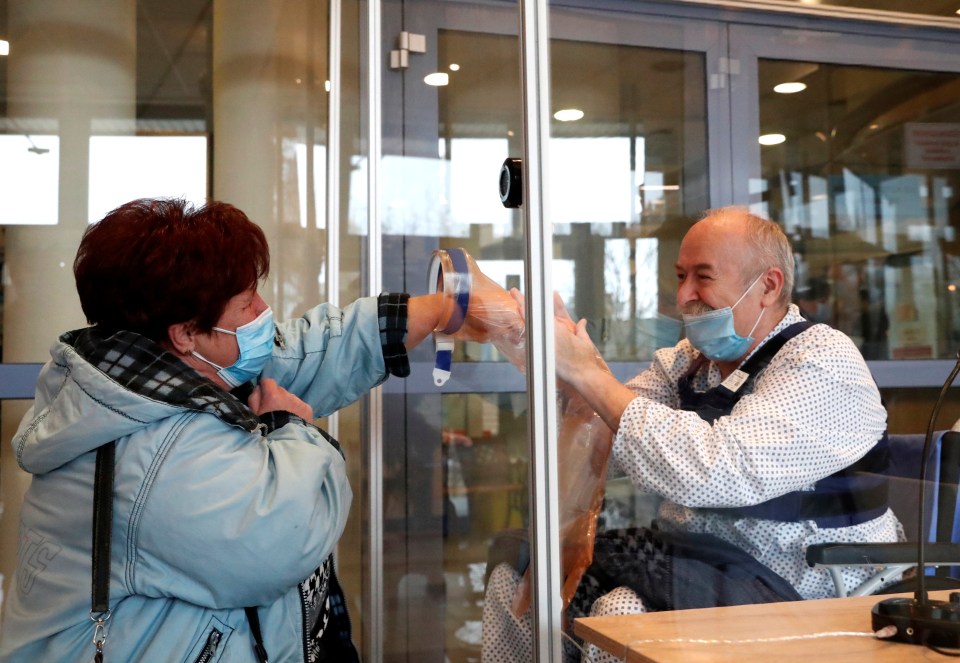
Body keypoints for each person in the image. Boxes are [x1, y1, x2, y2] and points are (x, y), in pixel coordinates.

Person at [0, 198, 521, 663]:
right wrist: (293, 428)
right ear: (185, 334)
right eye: (247, 303)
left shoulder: (170, 371)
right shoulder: (150, 454)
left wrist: (441, 308)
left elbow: (309, 350)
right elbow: (286, 533)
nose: (264, 314)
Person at [481, 206, 900, 663]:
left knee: (620, 615)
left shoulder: (822, 361)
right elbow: (605, 441)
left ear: (768, 286)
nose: (684, 296)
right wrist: (564, 373)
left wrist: (588, 375)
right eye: (680, 276)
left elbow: (718, 470)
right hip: (693, 564)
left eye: (703, 277)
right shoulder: (688, 363)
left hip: (805, 584)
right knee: (520, 576)